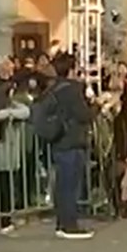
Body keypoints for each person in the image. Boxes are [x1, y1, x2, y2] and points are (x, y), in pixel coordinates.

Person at [31, 52, 95, 239]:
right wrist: (97, 106)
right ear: (72, 70)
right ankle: (69, 225)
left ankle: (62, 222)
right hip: (72, 140)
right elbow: (84, 115)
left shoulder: (53, 88)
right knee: (70, 185)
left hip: (58, 140)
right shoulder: (73, 89)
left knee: (62, 183)